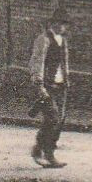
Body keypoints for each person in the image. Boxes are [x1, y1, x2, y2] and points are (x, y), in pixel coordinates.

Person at [26, 22, 69, 167]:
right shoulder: (43, 39)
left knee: (59, 119)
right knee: (53, 118)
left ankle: (39, 149)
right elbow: (37, 62)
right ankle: (48, 153)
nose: (64, 27)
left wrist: (66, 79)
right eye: (62, 23)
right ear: (53, 24)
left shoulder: (62, 40)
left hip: (60, 85)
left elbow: (64, 62)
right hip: (47, 85)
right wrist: (39, 85)